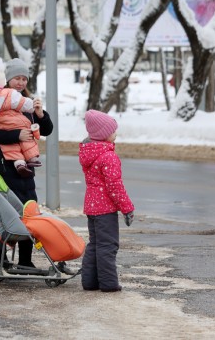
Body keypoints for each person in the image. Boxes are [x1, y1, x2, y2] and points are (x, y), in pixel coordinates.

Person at [0, 58, 53, 268]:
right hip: (1, 167)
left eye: (23, 79)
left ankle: (26, 260)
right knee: (2, 212)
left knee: (28, 211)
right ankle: (1, 259)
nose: (20, 83)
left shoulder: (27, 104)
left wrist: (40, 114)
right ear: (7, 79)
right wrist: (16, 135)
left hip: (25, 170)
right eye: (16, 78)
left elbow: (47, 129)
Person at [78, 110, 135, 292]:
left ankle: (90, 282)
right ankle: (109, 284)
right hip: (105, 209)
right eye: (113, 131)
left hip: (92, 207)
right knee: (107, 246)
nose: (115, 134)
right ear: (103, 135)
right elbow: (115, 186)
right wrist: (127, 208)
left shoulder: (90, 153)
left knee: (95, 244)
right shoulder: (108, 156)